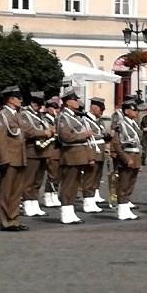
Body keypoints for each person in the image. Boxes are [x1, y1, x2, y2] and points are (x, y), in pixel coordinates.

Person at [55, 90, 95, 225]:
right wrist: (83, 135)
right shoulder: (63, 117)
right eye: (74, 100)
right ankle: (65, 212)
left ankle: (70, 210)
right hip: (70, 154)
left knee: (74, 184)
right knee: (68, 184)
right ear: (67, 102)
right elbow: (65, 136)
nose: (77, 102)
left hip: (79, 154)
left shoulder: (75, 117)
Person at [0, 85, 29, 232]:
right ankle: (5, 221)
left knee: (16, 192)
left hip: (20, 158)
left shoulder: (18, 115)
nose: (21, 100)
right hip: (10, 159)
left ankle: (14, 219)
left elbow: (27, 131)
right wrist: (4, 160)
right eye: (18, 97)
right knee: (7, 192)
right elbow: (0, 139)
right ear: (10, 99)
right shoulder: (2, 116)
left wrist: (44, 132)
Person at [19, 92, 54, 217]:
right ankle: (27, 204)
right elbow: (27, 131)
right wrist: (44, 133)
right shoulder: (24, 114)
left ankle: (34, 203)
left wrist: (51, 130)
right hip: (31, 151)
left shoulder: (40, 115)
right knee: (29, 180)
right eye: (37, 104)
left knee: (38, 180)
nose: (39, 107)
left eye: (40, 105)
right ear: (32, 103)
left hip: (43, 151)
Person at [110, 99, 143, 220]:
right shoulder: (121, 124)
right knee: (124, 184)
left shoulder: (134, 124)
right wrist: (125, 158)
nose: (137, 113)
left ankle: (126, 207)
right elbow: (116, 143)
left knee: (131, 184)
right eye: (134, 110)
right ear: (127, 111)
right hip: (127, 155)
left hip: (135, 155)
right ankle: (122, 209)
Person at [80, 97, 108, 213]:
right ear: (93, 107)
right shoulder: (85, 119)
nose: (101, 112)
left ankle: (92, 198)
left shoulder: (98, 120)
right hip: (91, 149)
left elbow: (102, 134)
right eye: (100, 109)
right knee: (89, 177)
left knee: (97, 176)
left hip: (100, 151)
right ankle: (87, 201)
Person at [42, 98, 62, 208]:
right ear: (48, 108)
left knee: (57, 174)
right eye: (54, 107)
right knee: (52, 174)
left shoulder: (57, 119)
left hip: (58, 149)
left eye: (57, 108)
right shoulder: (46, 119)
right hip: (50, 149)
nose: (56, 110)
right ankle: (48, 195)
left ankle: (53, 194)